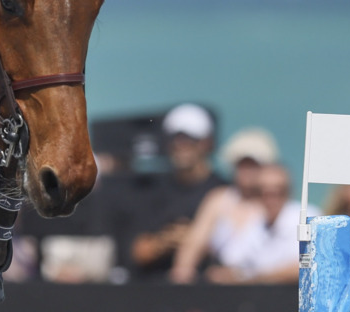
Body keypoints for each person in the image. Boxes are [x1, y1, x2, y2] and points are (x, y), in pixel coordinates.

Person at [123, 103, 226, 277]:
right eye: (175, 138)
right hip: (156, 293)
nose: (181, 145)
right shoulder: (152, 191)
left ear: (207, 143)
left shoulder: (224, 191)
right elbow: (138, 252)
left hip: (209, 295)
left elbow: (238, 254)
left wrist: (195, 241)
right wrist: (166, 241)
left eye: (190, 139)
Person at [169, 126, 279, 283]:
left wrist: (243, 276)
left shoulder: (273, 204)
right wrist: (182, 272)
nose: (247, 171)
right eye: (242, 164)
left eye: (253, 165)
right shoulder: (218, 199)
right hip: (220, 288)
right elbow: (195, 243)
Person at [175, 160, 311, 284]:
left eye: (278, 191)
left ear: (289, 191)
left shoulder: (307, 217)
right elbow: (233, 261)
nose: (271, 198)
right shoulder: (256, 223)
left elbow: (307, 265)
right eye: (263, 192)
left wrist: (254, 277)